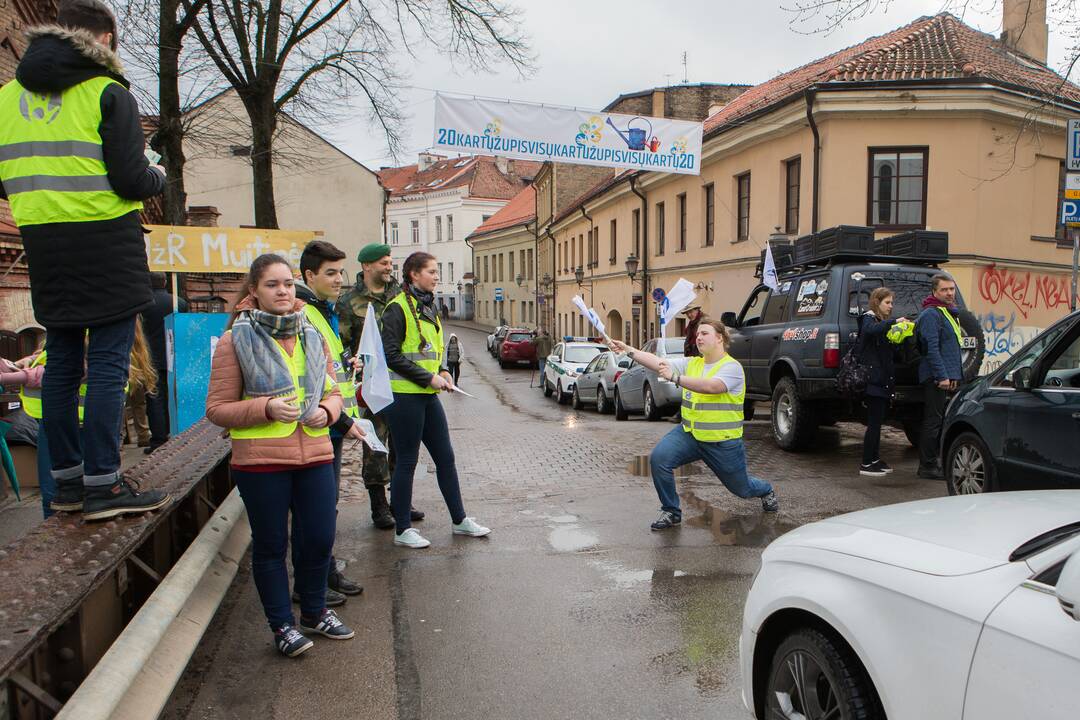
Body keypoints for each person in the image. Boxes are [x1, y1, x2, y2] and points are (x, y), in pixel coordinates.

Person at [0, 0, 168, 518]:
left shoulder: (7, 97)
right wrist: (156, 175)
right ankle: (105, 484)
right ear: (106, 39)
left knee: (63, 359)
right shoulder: (106, 92)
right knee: (109, 364)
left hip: (43, 240)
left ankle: (68, 483)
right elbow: (130, 180)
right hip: (104, 241)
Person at [206, 254, 354, 658]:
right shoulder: (234, 340)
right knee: (272, 546)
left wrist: (329, 412)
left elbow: (333, 391)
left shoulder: (310, 333)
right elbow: (217, 409)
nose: (284, 291)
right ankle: (282, 626)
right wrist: (264, 409)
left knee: (319, 539)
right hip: (262, 462)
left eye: (288, 283)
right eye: (273, 285)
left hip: (315, 453)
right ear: (254, 291)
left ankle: (314, 610)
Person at [609, 320, 779, 531]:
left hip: (722, 442)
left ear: (719, 338)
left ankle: (766, 490)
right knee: (659, 459)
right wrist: (628, 350)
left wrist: (676, 378)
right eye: (697, 334)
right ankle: (671, 511)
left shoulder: (731, 367)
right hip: (689, 435)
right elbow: (658, 362)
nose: (698, 338)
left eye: (704, 333)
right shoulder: (693, 363)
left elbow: (711, 387)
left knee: (742, 489)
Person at [380, 252, 490, 548]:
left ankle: (460, 520)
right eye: (431, 271)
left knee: (446, 458)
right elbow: (391, 355)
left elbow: (436, 348)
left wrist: (442, 370)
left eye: (437, 271)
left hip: (427, 396)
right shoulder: (397, 308)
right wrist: (428, 378)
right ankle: (403, 529)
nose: (436, 276)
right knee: (406, 461)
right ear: (413, 275)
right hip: (404, 397)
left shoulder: (427, 306)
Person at [2, 321, 161, 519]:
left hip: (70, 423)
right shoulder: (103, 331)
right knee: (82, 485)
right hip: (83, 422)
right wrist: (27, 361)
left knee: (59, 489)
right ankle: (100, 497)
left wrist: (12, 375)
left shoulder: (73, 328)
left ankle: (56, 522)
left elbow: (56, 371)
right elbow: (55, 365)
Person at [296, 240, 366, 603]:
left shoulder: (324, 311)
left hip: (331, 423)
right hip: (319, 425)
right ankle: (311, 583)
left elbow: (328, 367)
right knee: (316, 509)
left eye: (341, 272)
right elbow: (310, 382)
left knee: (327, 504)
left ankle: (325, 571)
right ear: (310, 275)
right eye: (331, 273)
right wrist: (341, 423)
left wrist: (347, 359)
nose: (340, 279)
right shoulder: (306, 314)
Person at [339, 242, 425, 530]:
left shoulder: (400, 296)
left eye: (390, 262)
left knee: (404, 445)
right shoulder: (349, 302)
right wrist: (352, 362)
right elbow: (341, 344)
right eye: (383, 263)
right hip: (372, 386)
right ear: (366, 266)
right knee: (375, 446)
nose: (389, 267)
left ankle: (400, 500)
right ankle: (379, 506)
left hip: (401, 382)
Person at [915, 273, 964, 479]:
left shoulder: (948, 312)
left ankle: (935, 462)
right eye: (944, 290)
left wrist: (952, 375)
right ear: (934, 291)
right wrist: (942, 376)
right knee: (932, 422)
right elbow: (932, 349)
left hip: (946, 376)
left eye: (951, 289)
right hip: (936, 377)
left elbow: (950, 347)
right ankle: (927, 466)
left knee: (940, 420)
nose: (949, 293)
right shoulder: (931, 314)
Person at [856, 288, 908, 478]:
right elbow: (871, 330)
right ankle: (866, 463)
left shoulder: (881, 323)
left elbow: (889, 351)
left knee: (878, 422)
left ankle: (875, 459)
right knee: (874, 423)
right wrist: (894, 322)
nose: (891, 306)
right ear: (876, 302)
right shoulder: (868, 318)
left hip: (883, 381)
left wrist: (899, 337)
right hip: (872, 381)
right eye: (887, 302)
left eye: (892, 303)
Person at [141, 272, 189, 453]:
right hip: (175, 355)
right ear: (165, 282)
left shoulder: (143, 305)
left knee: (155, 399)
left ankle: (159, 440)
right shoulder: (179, 303)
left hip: (150, 358)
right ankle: (177, 433)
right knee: (175, 396)